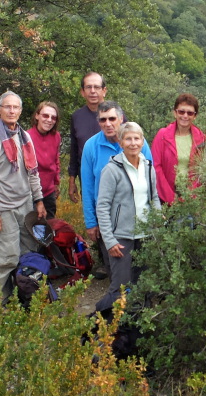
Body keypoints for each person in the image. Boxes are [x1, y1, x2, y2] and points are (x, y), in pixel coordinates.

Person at [0, 91, 47, 286]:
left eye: (15, 107)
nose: (11, 110)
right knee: (7, 258)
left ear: (20, 111)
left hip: (25, 205)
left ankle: (22, 295)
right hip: (2, 208)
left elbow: (33, 172)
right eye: (7, 106)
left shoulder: (25, 138)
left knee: (28, 252)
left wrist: (39, 201)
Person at [95, 122, 160, 313]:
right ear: (121, 142)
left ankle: (139, 325)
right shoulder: (112, 169)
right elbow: (103, 206)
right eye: (128, 139)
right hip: (121, 237)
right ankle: (109, 325)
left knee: (143, 284)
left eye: (137, 138)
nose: (133, 143)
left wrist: (156, 225)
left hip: (145, 235)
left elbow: (154, 198)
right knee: (120, 287)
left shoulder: (148, 167)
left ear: (142, 141)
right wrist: (109, 240)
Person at [81, 101, 152, 263]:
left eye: (112, 118)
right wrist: (91, 222)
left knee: (141, 267)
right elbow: (87, 187)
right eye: (102, 120)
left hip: (138, 214)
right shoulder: (91, 146)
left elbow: (149, 179)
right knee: (117, 268)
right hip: (107, 218)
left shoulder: (138, 142)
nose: (108, 124)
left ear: (121, 119)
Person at [151, 93, 205, 205]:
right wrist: (170, 197)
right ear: (175, 113)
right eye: (181, 111)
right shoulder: (162, 135)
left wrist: (189, 195)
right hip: (165, 197)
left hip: (190, 198)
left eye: (190, 113)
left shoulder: (201, 138)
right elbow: (156, 166)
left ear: (195, 116)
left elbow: (201, 170)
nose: (185, 116)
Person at [67, 72, 107, 204]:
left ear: (104, 91)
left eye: (97, 87)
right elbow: (74, 151)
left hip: (113, 179)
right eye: (88, 87)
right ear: (82, 92)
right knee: (92, 221)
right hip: (87, 180)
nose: (93, 91)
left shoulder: (115, 116)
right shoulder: (77, 117)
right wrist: (72, 180)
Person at [29, 101, 62, 218]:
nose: (49, 120)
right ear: (37, 116)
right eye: (45, 115)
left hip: (49, 191)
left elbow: (56, 161)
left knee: (49, 227)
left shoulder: (56, 136)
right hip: (31, 193)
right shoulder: (27, 137)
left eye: (53, 117)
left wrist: (56, 183)